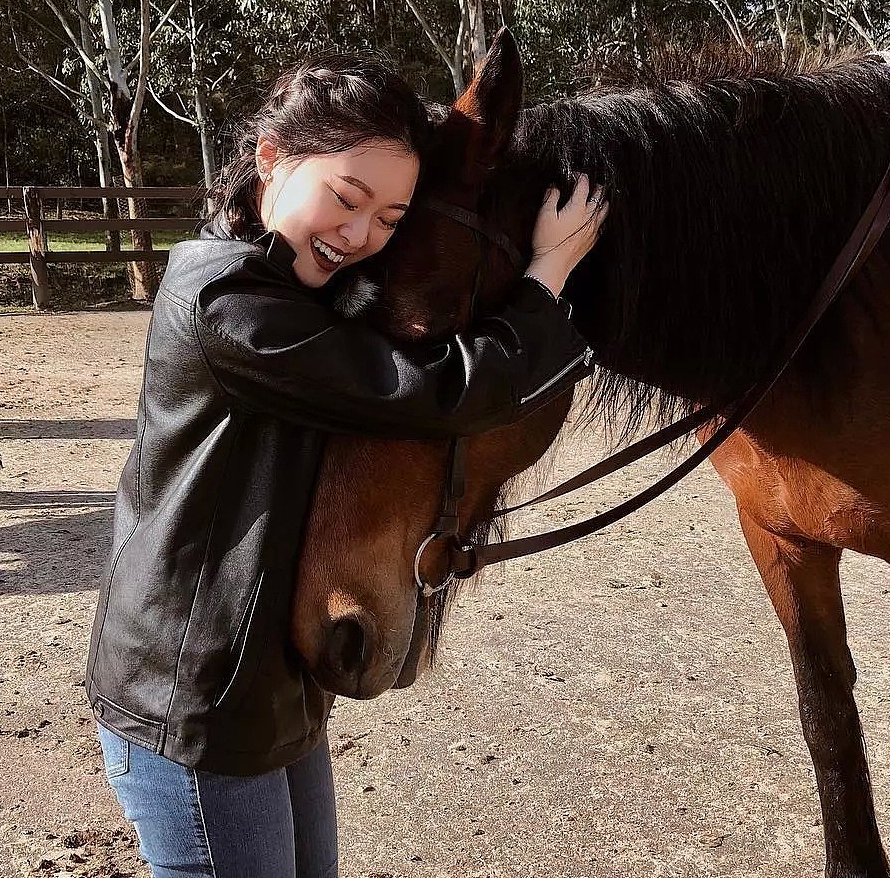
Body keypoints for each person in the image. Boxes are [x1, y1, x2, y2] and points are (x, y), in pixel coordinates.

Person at [86, 52, 608, 878]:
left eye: (390, 219)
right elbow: (424, 393)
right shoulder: (225, 302)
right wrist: (547, 282)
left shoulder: (293, 289)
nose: (360, 235)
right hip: (195, 703)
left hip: (265, 683)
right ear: (269, 160)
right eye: (346, 197)